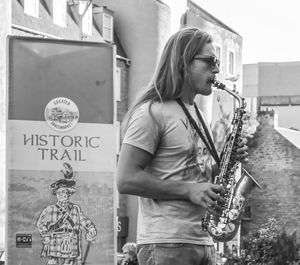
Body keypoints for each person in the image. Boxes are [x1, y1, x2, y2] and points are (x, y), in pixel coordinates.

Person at [116, 27, 248, 265]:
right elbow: (125, 179)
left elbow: (195, 173)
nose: (216, 69)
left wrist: (227, 161)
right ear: (183, 62)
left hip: (203, 240)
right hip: (167, 243)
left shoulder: (195, 112)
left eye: (216, 62)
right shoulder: (151, 113)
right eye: (210, 61)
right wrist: (188, 190)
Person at [36, 163, 97, 265]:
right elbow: (40, 224)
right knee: (53, 262)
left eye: (66, 193)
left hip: (71, 239)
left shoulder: (75, 209)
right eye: (60, 193)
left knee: (69, 263)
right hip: (55, 239)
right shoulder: (49, 210)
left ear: (69, 194)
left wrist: (91, 228)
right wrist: (46, 236)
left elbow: (84, 221)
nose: (63, 195)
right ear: (57, 194)